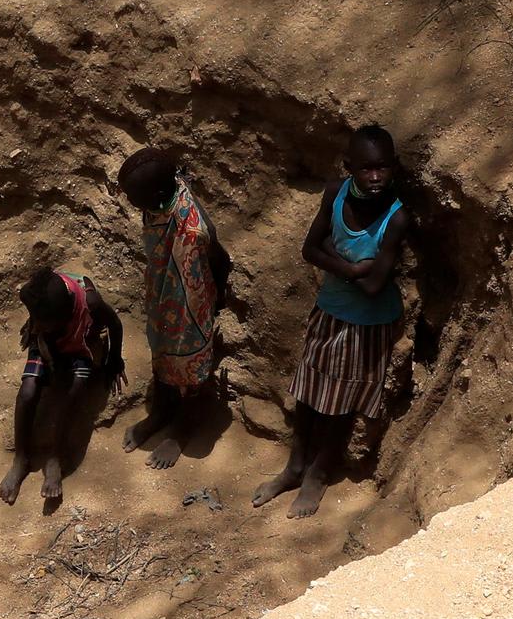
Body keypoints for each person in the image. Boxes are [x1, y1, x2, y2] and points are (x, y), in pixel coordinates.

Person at [254, 125, 413, 519]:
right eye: (366, 169)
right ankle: (294, 468)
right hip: (329, 309)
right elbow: (309, 248)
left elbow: (376, 286)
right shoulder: (335, 192)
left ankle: (318, 474)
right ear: (349, 168)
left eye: (382, 168)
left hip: (367, 324)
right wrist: (353, 269)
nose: (375, 177)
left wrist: (343, 264)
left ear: (394, 168)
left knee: (341, 407)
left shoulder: (397, 218)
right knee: (308, 392)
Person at [117, 147, 232, 469]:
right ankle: (162, 412)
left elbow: (218, 258)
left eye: (133, 197)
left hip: (192, 305)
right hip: (163, 293)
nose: (130, 203)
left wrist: (213, 301)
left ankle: (181, 430)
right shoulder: (158, 201)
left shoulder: (193, 226)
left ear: (154, 194)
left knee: (192, 368)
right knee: (163, 352)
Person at [0, 268, 125, 505]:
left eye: (41, 322)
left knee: (76, 387)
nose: (36, 326)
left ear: (63, 315)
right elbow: (39, 321)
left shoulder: (91, 303)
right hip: (48, 343)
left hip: (79, 346)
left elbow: (115, 325)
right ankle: (21, 459)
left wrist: (114, 360)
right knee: (27, 391)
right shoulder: (43, 298)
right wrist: (36, 326)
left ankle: (54, 458)